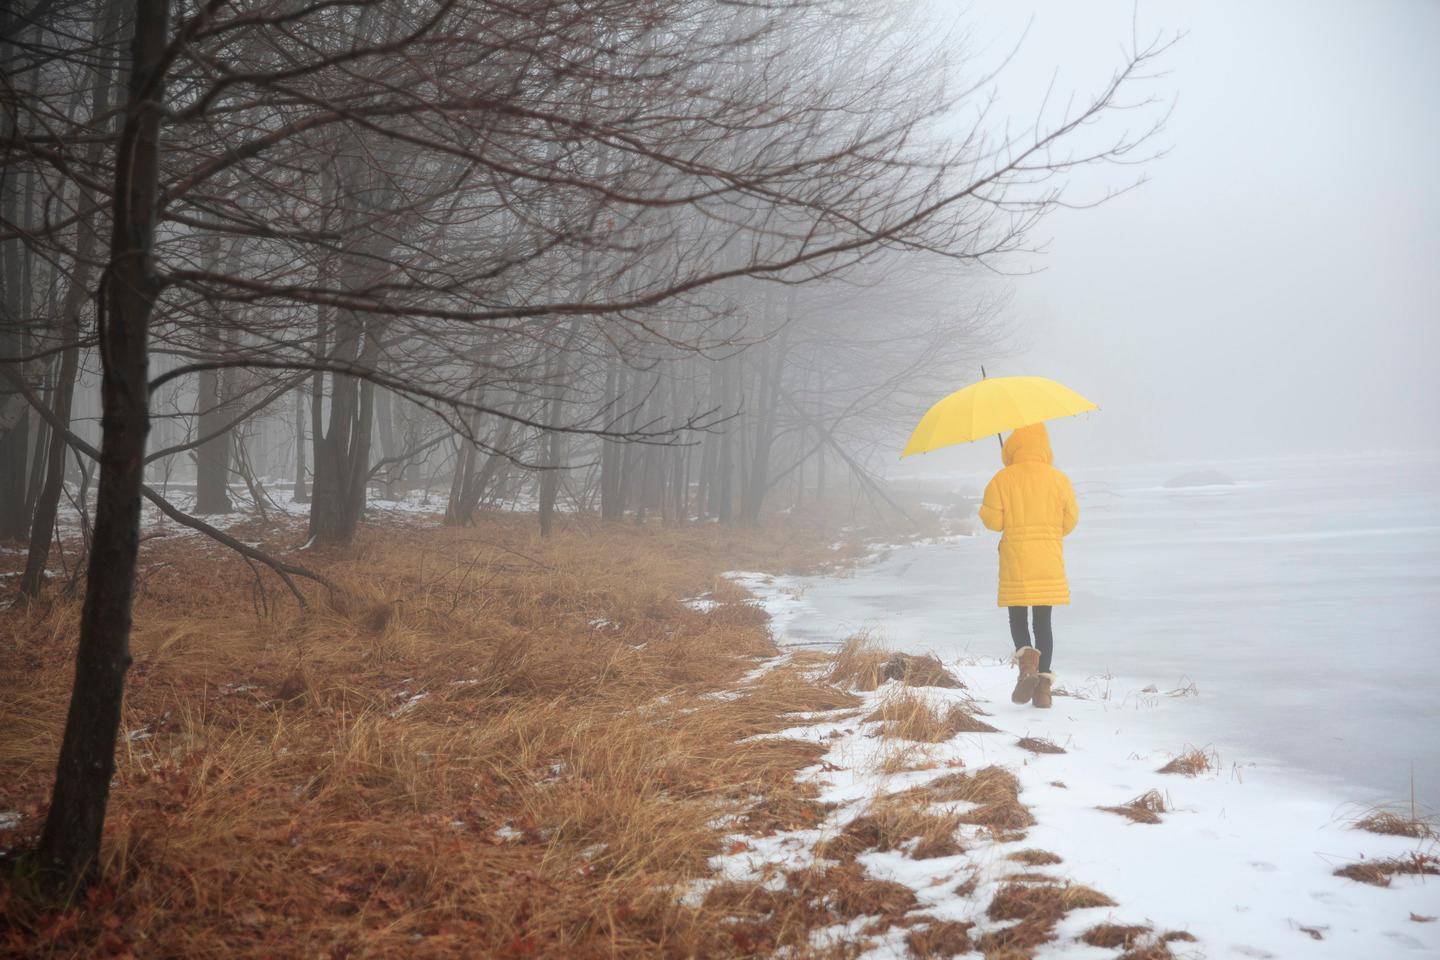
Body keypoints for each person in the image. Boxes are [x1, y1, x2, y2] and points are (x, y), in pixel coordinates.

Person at [978, 423, 1079, 708]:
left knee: (1018, 618)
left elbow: (994, 522)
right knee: (1043, 622)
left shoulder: (1002, 479)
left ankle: (1027, 669)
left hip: (1016, 559)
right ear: (1044, 448)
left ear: (1012, 447)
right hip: (1047, 558)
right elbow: (1069, 521)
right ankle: (1043, 691)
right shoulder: (1059, 479)